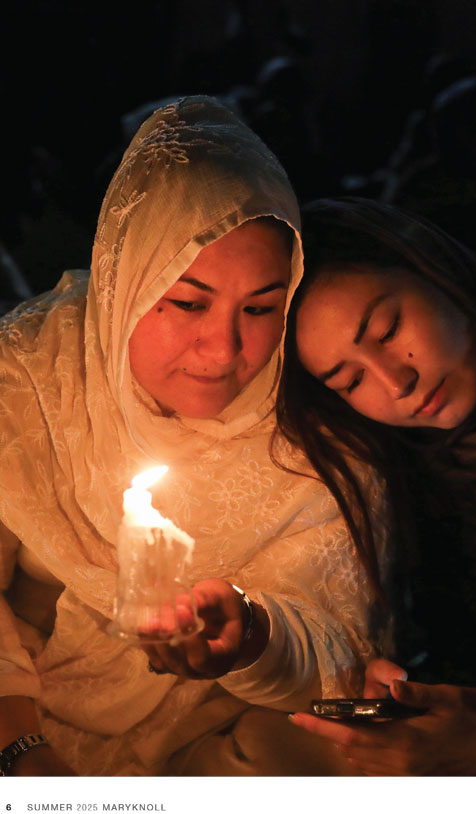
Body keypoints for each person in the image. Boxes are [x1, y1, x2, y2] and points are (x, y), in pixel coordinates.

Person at [0, 98, 382, 776]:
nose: (225, 347)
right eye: (188, 302)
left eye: (261, 308)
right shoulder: (31, 373)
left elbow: (341, 661)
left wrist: (252, 638)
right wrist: (24, 756)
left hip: (209, 747)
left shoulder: (315, 435)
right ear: (125, 282)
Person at [277, 198, 476, 775]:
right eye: (351, 380)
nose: (396, 383)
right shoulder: (434, 467)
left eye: (389, 329)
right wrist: (417, 693)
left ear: (439, 271)